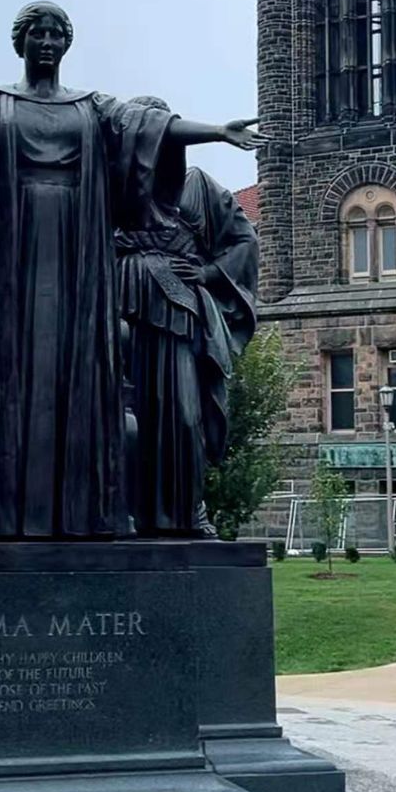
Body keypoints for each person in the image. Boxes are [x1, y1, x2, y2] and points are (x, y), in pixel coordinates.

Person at [0, 2, 260, 539]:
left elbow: (148, 125)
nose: (48, 42)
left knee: (75, 369)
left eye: (57, 34)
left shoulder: (93, 109)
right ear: (21, 42)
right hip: (7, 253)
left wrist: (217, 131)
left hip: (77, 259)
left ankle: (82, 511)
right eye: (38, 33)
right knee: (5, 366)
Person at [116, 96, 258, 537]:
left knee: (184, 414)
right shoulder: (113, 189)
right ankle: (123, 510)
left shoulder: (197, 186)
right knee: (122, 413)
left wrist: (209, 272)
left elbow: (244, 241)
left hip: (178, 316)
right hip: (120, 313)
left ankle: (187, 508)